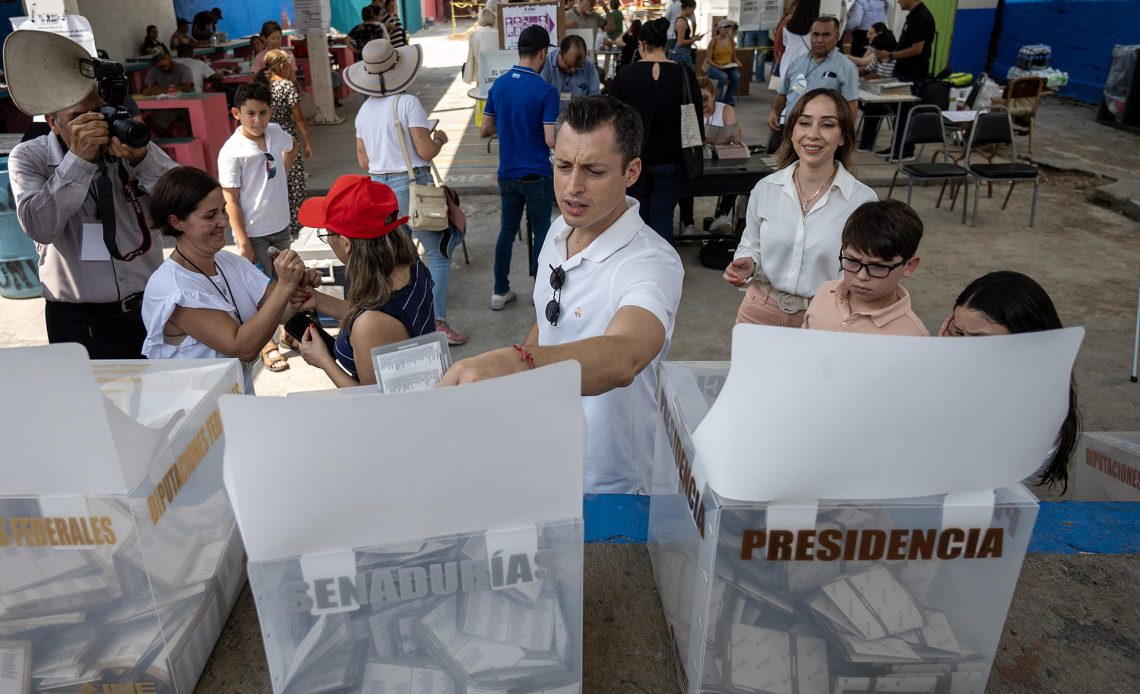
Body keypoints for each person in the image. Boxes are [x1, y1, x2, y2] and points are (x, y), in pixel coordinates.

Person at [441, 96, 684, 495]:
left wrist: (518, 362)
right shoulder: (558, 232)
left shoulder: (650, 262)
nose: (573, 187)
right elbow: (547, 320)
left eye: (594, 170)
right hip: (552, 451)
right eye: (563, 166)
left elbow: (626, 354)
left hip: (613, 478)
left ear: (632, 171)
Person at [9, 88, 178, 359]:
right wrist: (78, 160)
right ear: (53, 122)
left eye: (97, 113)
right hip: (79, 319)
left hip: (152, 303)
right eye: (79, 118)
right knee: (93, 400)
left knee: (165, 396)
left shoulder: (127, 142)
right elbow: (40, 227)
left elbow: (187, 201)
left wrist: (143, 160)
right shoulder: (29, 157)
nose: (94, 126)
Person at [142, 167, 310, 394]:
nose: (223, 221)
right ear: (176, 221)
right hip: (195, 413)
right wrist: (285, 286)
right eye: (210, 216)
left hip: (236, 401)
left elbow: (279, 312)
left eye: (223, 210)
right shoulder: (173, 288)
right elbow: (243, 347)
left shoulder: (229, 262)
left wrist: (299, 287)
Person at [348, 39, 468, 346]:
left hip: (378, 191)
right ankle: (437, 322)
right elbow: (424, 151)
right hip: (411, 188)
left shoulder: (363, 112)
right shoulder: (408, 103)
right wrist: (438, 138)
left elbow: (364, 161)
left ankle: (410, 320)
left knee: (403, 259)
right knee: (439, 255)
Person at [724, 88, 876, 327]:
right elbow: (751, 245)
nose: (812, 134)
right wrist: (748, 263)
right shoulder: (766, 188)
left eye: (827, 125)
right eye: (804, 123)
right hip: (759, 311)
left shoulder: (862, 202)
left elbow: (861, 272)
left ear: (843, 136)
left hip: (825, 316)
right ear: (792, 131)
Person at [938, 271, 1081, 492]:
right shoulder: (992, 379)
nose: (963, 348)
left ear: (1028, 337)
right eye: (958, 334)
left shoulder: (1036, 407)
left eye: (979, 338)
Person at [293, 176, 436, 387]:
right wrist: (316, 300)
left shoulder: (371, 323)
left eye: (326, 232)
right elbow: (375, 319)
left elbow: (371, 402)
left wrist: (324, 361)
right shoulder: (411, 265)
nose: (328, 239)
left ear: (346, 244)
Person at [217, 81, 296, 372]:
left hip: (281, 225)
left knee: (285, 283)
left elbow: (292, 146)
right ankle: (267, 343)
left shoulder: (275, 133)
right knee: (263, 291)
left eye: (263, 113)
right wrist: (243, 242)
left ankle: (287, 331)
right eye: (250, 113)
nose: (258, 120)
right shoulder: (232, 151)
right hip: (255, 233)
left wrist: (281, 174)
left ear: (271, 112)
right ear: (236, 113)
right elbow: (231, 201)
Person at [481, 25, 560, 312]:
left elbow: (485, 128)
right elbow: (551, 139)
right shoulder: (546, 91)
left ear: (519, 51)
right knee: (542, 231)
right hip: (537, 175)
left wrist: (509, 126)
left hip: (507, 174)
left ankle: (499, 291)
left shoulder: (499, 85)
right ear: (543, 52)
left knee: (506, 231)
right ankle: (540, 293)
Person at [609, 17, 703, 243]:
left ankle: (637, 271)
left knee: (635, 219)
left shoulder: (626, 74)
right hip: (673, 162)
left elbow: (611, 121)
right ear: (666, 44)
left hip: (633, 163)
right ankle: (662, 274)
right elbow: (697, 118)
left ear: (641, 45)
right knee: (662, 219)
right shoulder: (684, 74)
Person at [802, 199, 927, 336]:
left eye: (877, 267)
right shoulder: (825, 292)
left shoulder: (913, 335)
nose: (862, 276)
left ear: (909, 266)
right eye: (852, 260)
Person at [767, 16, 858, 151]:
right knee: (779, 168)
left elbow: (851, 107)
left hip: (820, 135)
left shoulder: (846, 67)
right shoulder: (797, 64)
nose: (820, 40)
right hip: (789, 128)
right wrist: (774, 112)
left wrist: (844, 136)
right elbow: (782, 93)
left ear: (837, 37)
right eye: (816, 34)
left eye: (826, 35)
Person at [257, 49, 313, 239]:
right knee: (293, 182)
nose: (290, 67)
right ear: (281, 65)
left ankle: (277, 223)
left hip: (265, 139)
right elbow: (299, 117)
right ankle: (295, 225)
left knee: (272, 180)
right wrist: (306, 142)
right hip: (286, 139)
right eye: (288, 64)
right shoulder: (286, 86)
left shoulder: (261, 87)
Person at [678, 77, 741, 236]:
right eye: (698, 99)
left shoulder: (725, 110)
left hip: (721, 160)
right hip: (698, 160)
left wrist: (735, 136)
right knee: (684, 178)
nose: (702, 103)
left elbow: (737, 138)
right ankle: (688, 223)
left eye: (705, 99)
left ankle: (721, 215)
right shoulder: (690, 112)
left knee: (737, 177)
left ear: (714, 95)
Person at [876, 0, 935, 160]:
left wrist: (890, 55)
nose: (898, 1)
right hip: (904, 72)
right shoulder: (913, 16)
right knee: (900, 113)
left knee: (906, 113)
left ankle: (905, 150)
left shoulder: (920, 17)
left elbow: (917, 49)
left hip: (912, 74)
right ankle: (897, 146)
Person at [850, 23, 898, 152]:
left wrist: (879, 77)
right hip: (874, 94)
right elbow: (866, 70)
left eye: (877, 51)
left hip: (890, 98)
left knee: (871, 110)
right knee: (853, 100)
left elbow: (893, 80)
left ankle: (867, 143)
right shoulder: (877, 59)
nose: (875, 54)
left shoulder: (895, 62)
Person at [541, 34, 602, 102]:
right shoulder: (545, 64)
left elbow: (595, 98)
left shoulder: (588, 67)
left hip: (580, 111)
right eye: (569, 66)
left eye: (578, 67)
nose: (573, 70)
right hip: (552, 111)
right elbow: (541, 99)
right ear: (560, 54)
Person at [778, 0, 818, 85]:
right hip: (809, 67)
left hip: (789, 64)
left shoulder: (787, 27)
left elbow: (784, 44)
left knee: (793, 94)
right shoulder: (817, 31)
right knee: (803, 94)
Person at [703, 19, 740, 106]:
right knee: (723, 77)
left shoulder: (731, 40)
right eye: (725, 27)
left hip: (727, 66)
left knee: (736, 76)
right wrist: (717, 66)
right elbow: (708, 59)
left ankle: (728, 98)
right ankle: (718, 100)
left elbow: (734, 56)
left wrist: (738, 62)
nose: (727, 30)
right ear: (719, 29)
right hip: (713, 66)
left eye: (729, 28)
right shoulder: (713, 41)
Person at [463, 8, 499, 84]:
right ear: (493, 18)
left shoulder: (474, 35)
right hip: (498, 72)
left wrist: (468, 77)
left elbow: (470, 58)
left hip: (481, 73)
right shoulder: (499, 35)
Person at [671, 0, 701, 68]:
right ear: (688, 8)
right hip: (682, 53)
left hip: (683, 52)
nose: (693, 12)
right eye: (693, 9)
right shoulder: (682, 22)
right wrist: (694, 39)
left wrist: (693, 38)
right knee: (689, 75)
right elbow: (680, 42)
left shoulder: (682, 20)